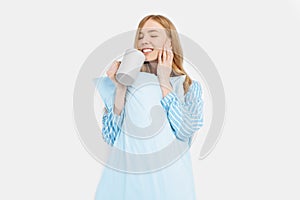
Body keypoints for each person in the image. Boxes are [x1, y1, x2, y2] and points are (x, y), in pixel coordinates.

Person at [95, 14, 204, 200]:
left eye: (153, 35)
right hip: (128, 186)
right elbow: (111, 137)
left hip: (170, 186)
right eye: (141, 36)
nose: (145, 40)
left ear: (170, 43)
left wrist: (163, 79)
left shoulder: (189, 87)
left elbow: (184, 131)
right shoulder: (127, 84)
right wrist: (120, 87)